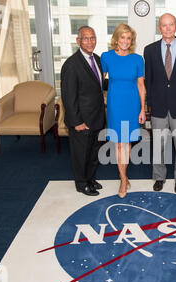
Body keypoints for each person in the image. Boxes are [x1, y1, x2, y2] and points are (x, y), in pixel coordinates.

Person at [144, 13, 176, 194]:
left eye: (171, 24)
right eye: (164, 25)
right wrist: (148, 105)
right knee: (158, 144)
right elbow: (148, 80)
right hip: (158, 105)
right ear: (159, 28)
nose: (167, 28)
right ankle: (159, 177)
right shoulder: (149, 50)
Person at [101, 23, 146, 198]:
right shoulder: (106, 57)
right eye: (122, 37)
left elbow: (141, 86)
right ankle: (123, 179)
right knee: (118, 144)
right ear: (116, 38)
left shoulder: (137, 59)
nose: (125, 41)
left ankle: (123, 177)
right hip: (115, 105)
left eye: (129, 38)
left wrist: (143, 109)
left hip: (132, 105)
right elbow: (100, 81)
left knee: (127, 143)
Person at [60, 26, 105, 196]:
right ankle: (81, 184)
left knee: (93, 152)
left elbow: (98, 84)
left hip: (96, 117)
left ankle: (90, 179)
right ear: (78, 41)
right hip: (82, 120)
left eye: (92, 37)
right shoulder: (72, 64)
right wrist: (76, 121)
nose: (90, 41)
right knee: (81, 154)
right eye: (85, 38)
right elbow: (68, 97)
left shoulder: (98, 60)